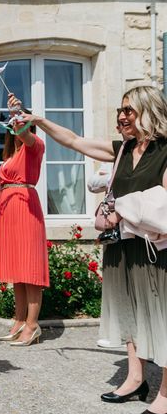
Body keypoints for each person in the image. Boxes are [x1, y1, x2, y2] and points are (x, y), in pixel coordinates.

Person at [16, 86, 167, 414]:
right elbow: (75, 141)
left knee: (161, 316)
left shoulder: (165, 150)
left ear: (148, 110)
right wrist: (38, 118)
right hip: (121, 244)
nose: (122, 116)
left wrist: (124, 209)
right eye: (120, 110)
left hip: (154, 249)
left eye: (129, 110)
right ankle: (135, 379)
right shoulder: (124, 149)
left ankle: (166, 393)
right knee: (130, 313)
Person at [0, 95, 49, 346]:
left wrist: (18, 115)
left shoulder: (34, 144)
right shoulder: (11, 152)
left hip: (26, 207)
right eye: (12, 122)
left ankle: (32, 324)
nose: (15, 126)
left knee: (30, 268)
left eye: (20, 122)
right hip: (9, 211)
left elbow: (26, 135)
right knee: (17, 268)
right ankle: (18, 320)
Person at [88, 118, 125, 349]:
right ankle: (115, 332)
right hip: (113, 226)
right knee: (113, 279)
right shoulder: (116, 154)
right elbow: (93, 183)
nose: (118, 128)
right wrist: (113, 178)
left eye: (120, 125)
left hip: (134, 224)